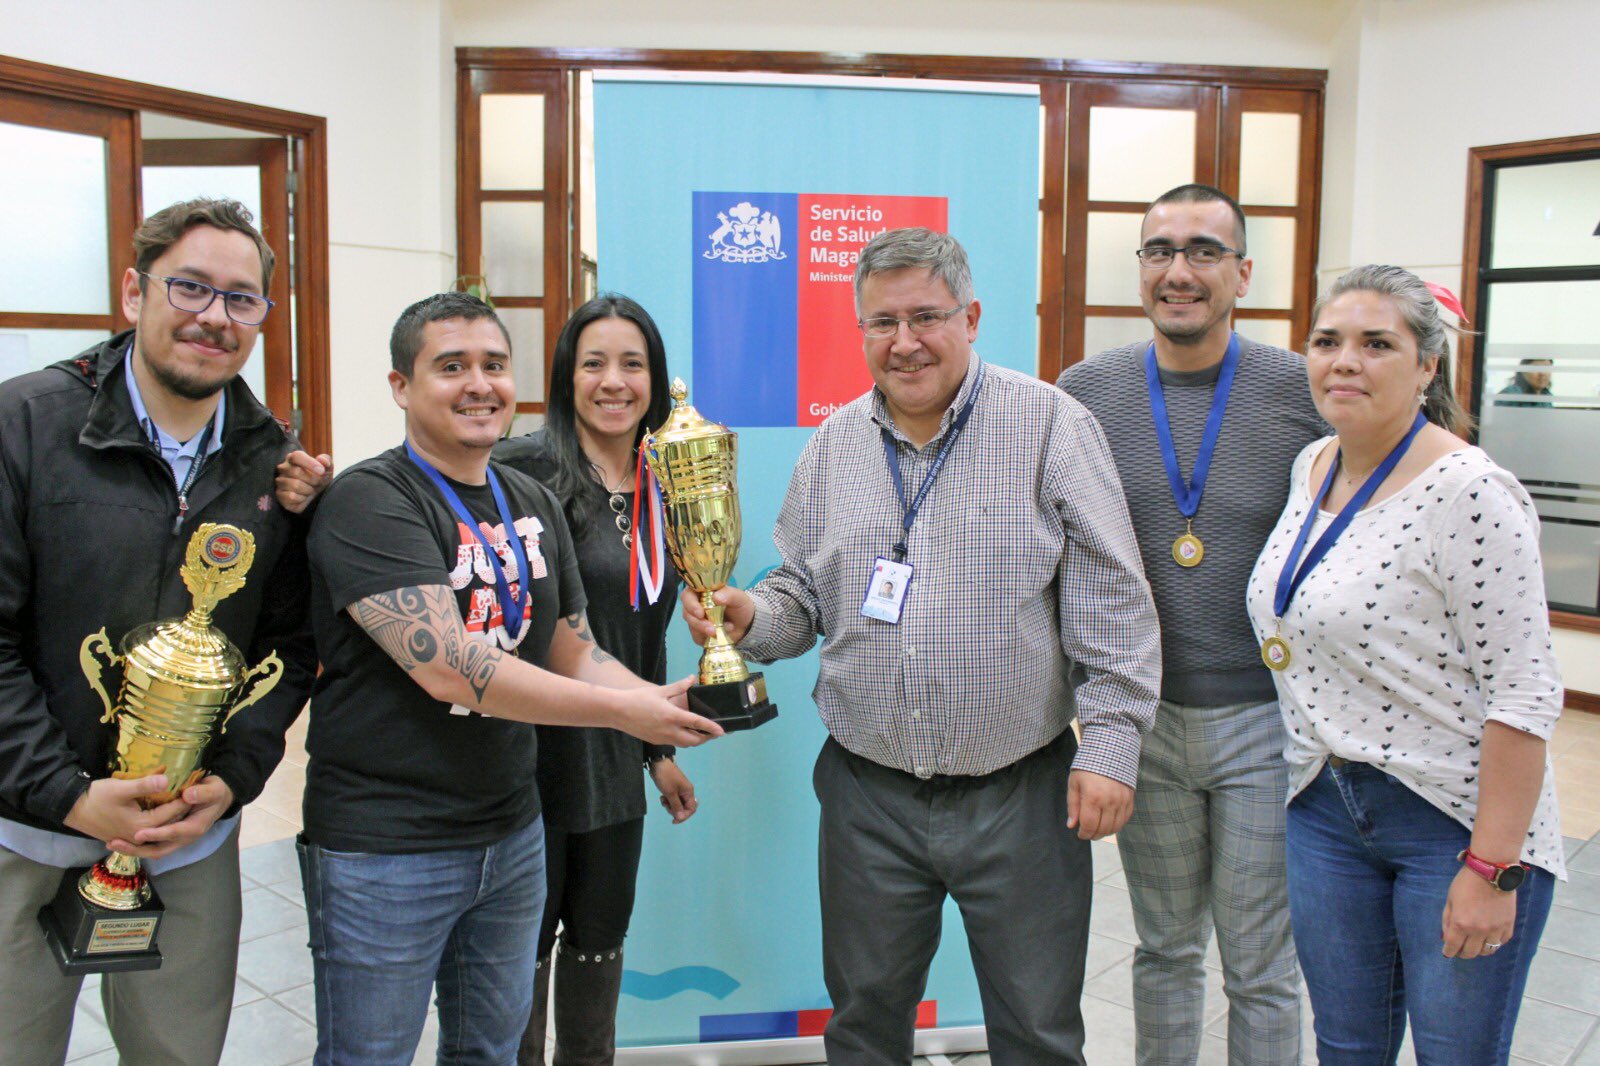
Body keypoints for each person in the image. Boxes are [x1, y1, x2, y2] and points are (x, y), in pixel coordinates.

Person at [683, 228, 1161, 1064]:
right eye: (882, 322)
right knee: (865, 1026)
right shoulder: (833, 446)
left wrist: (1112, 746)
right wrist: (748, 616)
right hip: (870, 795)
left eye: (926, 317)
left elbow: (1112, 600)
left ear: (971, 317)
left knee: (1038, 1030)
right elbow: (802, 597)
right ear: (861, 331)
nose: (904, 343)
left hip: (1021, 792)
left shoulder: (1050, 425)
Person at [300, 291, 720, 1065]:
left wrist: (653, 700)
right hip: (388, 846)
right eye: (450, 366)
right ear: (401, 386)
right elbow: (452, 669)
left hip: (511, 829)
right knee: (371, 1055)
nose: (478, 384)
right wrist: (625, 716)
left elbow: (567, 640)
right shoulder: (372, 499)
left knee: (491, 1053)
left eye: (494, 365)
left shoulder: (526, 499)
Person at [0, 197, 319, 1064]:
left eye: (241, 298)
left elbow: (288, 649)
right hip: (25, 827)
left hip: (188, 838)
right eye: (191, 288)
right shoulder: (22, 425)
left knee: (178, 1054)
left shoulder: (274, 459)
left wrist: (231, 779)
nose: (215, 317)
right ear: (136, 292)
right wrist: (68, 796)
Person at [1246, 265, 1564, 1062]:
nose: (1344, 360)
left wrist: (1492, 868)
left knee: (1456, 1054)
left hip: (1451, 821)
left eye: (1376, 343)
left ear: (1427, 366)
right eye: (1328, 341)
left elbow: (1524, 696)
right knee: (1347, 1049)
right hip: (1325, 804)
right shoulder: (1313, 464)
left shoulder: (1471, 491)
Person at [1058, 183, 1320, 1065]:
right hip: (1144, 720)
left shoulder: (1302, 389)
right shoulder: (1085, 393)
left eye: (1204, 251)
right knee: (1165, 950)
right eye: (1160, 251)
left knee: (1260, 965)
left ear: (1242, 273)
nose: (1180, 271)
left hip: (1266, 721)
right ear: (1140, 271)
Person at [493, 294, 695, 1066]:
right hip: (525, 754)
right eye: (595, 364)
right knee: (520, 948)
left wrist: (656, 753)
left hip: (614, 754)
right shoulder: (518, 470)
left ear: (655, 378)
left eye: (633, 364)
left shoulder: (663, 479)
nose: (615, 382)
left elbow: (640, 633)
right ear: (565, 376)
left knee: (599, 939)